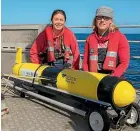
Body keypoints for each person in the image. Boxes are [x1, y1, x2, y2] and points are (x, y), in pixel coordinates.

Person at [82, 6, 130, 77]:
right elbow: (85, 63)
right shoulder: (89, 38)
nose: (102, 20)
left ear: (111, 20)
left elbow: (124, 63)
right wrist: (88, 76)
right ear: (95, 20)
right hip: (94, 77)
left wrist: (112, 77)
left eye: (106, 18)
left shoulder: (121, 37)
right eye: (99, 17)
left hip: (113, 77)